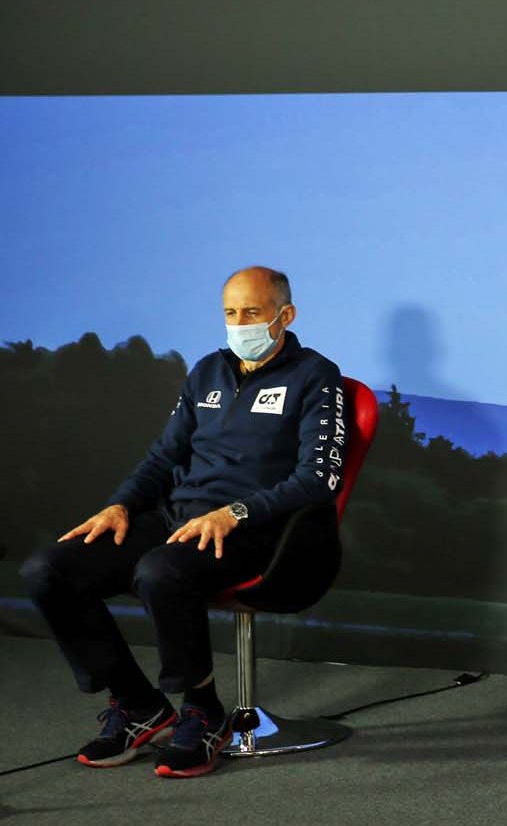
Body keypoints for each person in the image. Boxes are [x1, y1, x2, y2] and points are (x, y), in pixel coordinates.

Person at [19, 267, 347, 778]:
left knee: (160, 571)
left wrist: (235, 512)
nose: (240, 324)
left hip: (258, 529)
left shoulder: (315, 375)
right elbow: (162, 457)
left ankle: (203, 710)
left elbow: (318, 479)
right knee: (48, 570)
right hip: (178, 517)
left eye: (253, 313)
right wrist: (120, 505)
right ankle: (138, 706)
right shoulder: (206, 372)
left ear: (285, 316)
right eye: (230, 313)